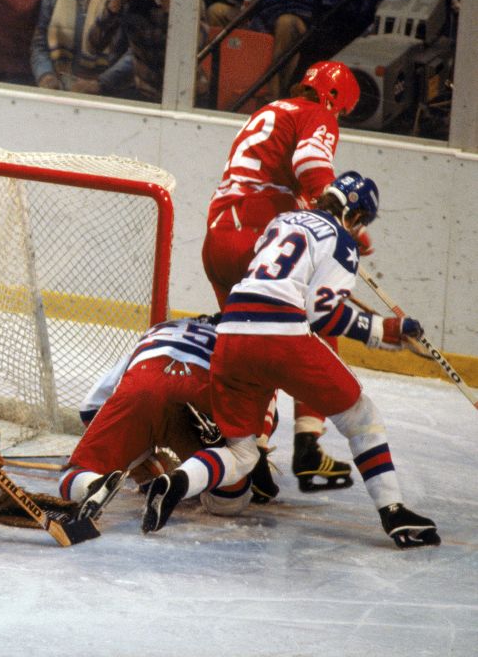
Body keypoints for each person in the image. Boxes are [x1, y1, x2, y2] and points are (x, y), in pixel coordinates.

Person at [143, 172, 441, 550]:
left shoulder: (281, 222)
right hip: (281, 336)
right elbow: (323, 316)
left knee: (241, 451)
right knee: (361, 416)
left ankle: (179, 481)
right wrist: (387, 331)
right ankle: (394, 512)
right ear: (356, 215)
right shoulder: (343, 244)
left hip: (232, 335)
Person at [201, 60, 362, 498]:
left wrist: (337, 222)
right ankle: (309, 443)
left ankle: (252, 449)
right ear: (335, 100)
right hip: (257, 231)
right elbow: (312, 164)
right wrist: (335, 203)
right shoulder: (318, 115)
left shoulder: (270, 110)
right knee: (313, 325)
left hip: (218, 237)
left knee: (251, 345)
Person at [60, 314, 256, 522]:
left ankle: (90, 485)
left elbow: (90, 407)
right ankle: (183, 480)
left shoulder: (160, 328)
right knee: (229, 497)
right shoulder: (241, 340)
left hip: (143, 383)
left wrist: (133, 457)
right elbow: (249, 420)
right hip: (198, 395)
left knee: (75, 473)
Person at [87, 0, 187, 102]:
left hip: (181, 92)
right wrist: (113, 9)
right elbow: (93, 45)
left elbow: (195, 46)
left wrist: (169, 9)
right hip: (141, 91)